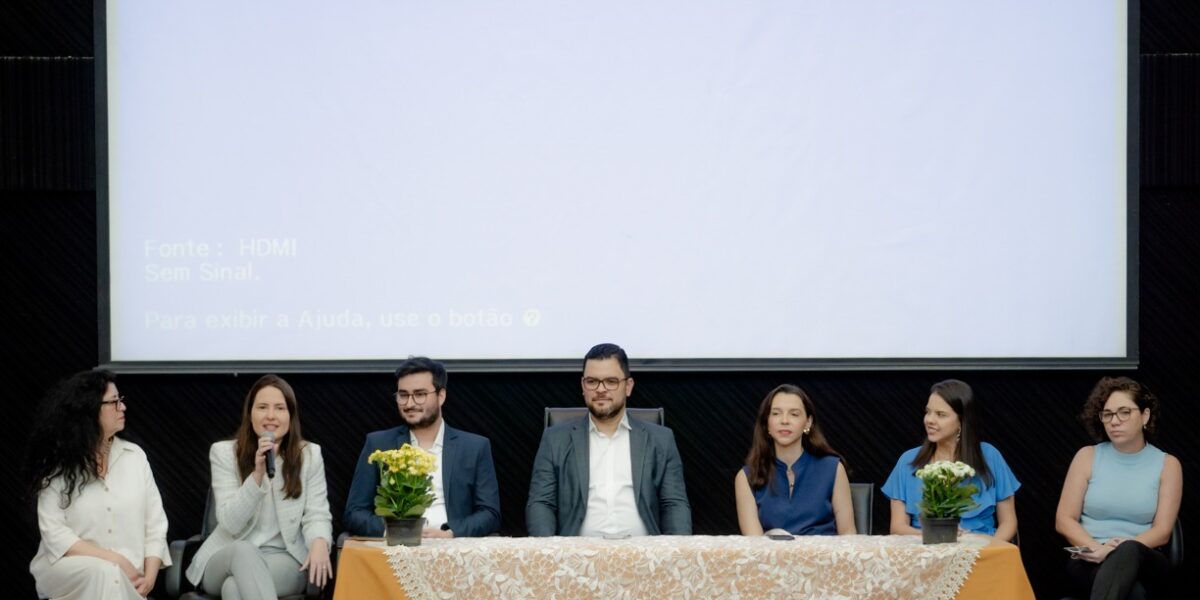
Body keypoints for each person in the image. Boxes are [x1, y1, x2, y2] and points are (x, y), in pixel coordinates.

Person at [25, 369, 171, 600]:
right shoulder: (58, 464)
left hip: (127, 577)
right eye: (114, 402)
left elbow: (155, 524)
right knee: (105, 572)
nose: (122, 408)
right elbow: (55, 533)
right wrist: (115, 559)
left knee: (111, 578)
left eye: (120, 401)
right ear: (89, 410)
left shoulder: (135, 456)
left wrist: (150, 577)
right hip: (66, 569)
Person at [185, 374, 333, 599]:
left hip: (283, 558)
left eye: (280, 408)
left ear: (290, 415)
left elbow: (317, 514)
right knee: (245, 551)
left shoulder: (310, 455)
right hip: (227, 554)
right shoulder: (224, 453)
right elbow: (229, 522)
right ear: (250, 414)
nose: (271, 416)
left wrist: (320, 541)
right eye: (262, 407)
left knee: (233, 589)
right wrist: (257, 475)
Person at [526, 343, 691, 536]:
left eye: (611, 381)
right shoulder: (555, 440)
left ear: (628, 386)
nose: (601, 389)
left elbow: (674, 504)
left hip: (644, 557)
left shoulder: (661, 440)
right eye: (592, 381)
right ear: (583, 386)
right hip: (577, 559)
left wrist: (676, 558)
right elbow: (541, 504)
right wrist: (550, 556)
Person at [345, 356, 501, 537]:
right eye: (403, 395)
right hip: (396, 549)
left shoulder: (475, 447)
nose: (409, 404)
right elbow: (354, 513)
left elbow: (490, 514)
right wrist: (394, 530)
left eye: (419, 394)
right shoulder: (379, 444)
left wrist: (450, 533)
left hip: (452, 550)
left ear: (441, 396)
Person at [1056, 377, 1181, 600]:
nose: (1114, 421)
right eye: (1108, 414)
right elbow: (1064, 519)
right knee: (1134, 594)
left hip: (1145, 556)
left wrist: (1115, 550)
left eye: (1124, 412)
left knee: (1129, 549)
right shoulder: (1087, 456)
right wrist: (1096, 548)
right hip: (1091, 556)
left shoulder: (1168, 464)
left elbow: (1162, 532)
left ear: (1145, 415)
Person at [882, 379, 1020, 540]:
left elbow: (1009, 522)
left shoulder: (989, 456)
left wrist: (989, 551)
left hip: (982, 550)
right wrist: (938, 536)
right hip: (926, 551)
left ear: (961, 421)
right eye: (928, 412)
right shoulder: (908, 461)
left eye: (940, 414)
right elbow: (898, 527)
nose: (929, 420)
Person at [734, 384, 856, 536]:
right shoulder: (746, 477)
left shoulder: (833, 469)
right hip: (771, 558)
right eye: (776, 413)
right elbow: (755, 547)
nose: (784, 421)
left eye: (794, 414)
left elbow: (849, 536)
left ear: (808, 423)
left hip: (824, 558)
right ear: (767, 424)